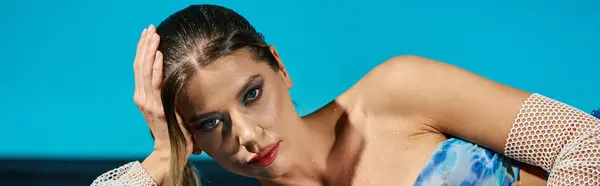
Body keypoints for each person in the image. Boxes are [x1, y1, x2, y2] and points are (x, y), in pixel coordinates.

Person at [91, 4, 600, 186]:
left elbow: (589, 143)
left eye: (251, 94)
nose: (247, 135)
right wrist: (162, 157)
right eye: (210, 122)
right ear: (192, 138)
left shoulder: (396, 92)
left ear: (280, 68)